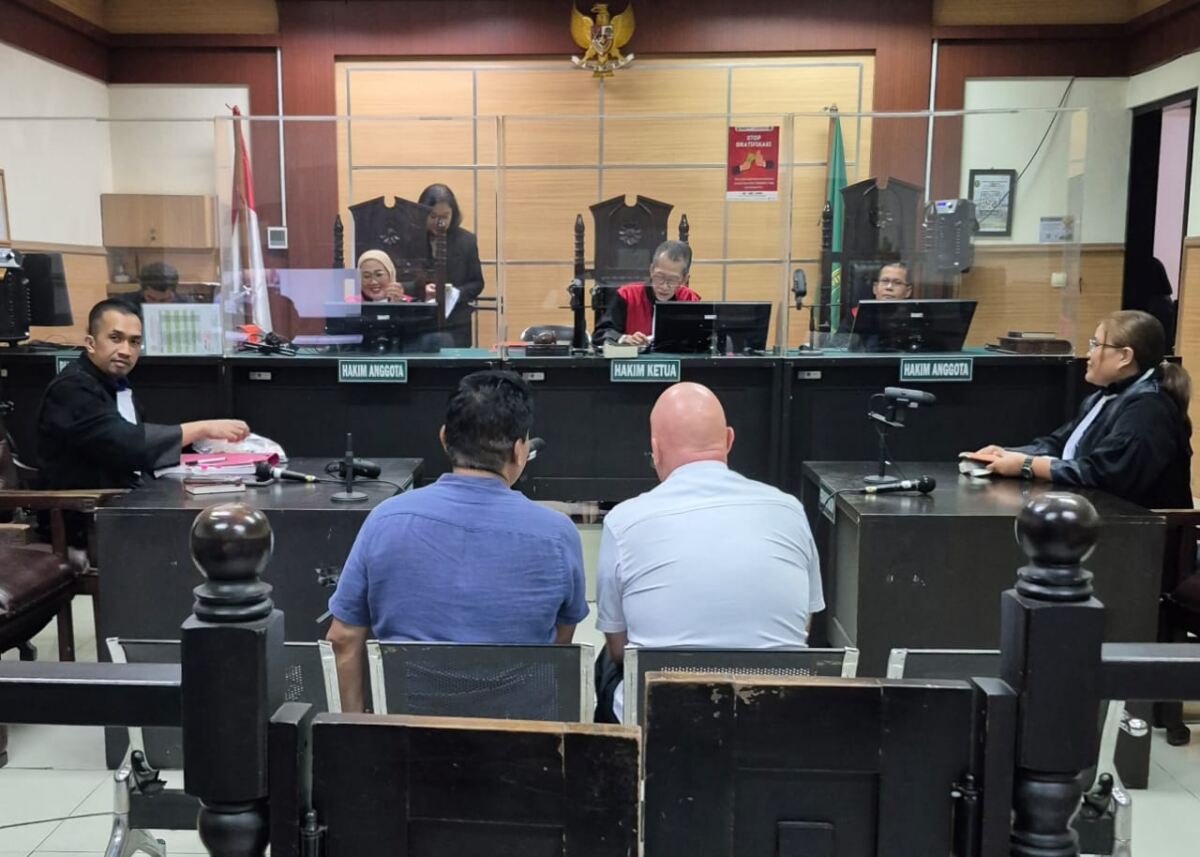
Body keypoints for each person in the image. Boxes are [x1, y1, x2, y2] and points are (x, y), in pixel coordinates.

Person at [325, 370, 588, 711]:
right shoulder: (558, 535)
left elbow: (343, 639)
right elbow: (559, 645)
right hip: (520, 735)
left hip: (407, 735)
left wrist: (356, 729)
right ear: (519, 450)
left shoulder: (384, 521)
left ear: (444, 437)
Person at [594, 382, 824, 722]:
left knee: (606, 663)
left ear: (655, 450)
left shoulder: (623, 521)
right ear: (729, 440)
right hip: (774, 721)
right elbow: (802, 627)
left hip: (663, 725)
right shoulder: (789, 509)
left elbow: (618, 649)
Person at [36, 300, 250, 542]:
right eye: (115, 338)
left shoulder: (113, 384)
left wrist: (209, 449)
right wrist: (203, 428)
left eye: (134, 342)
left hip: (123, 503)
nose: (126, 350)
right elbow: (125, 442)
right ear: (91, 343)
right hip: (83, 519)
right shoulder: (72, 389)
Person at [967, 310, 1192, 510]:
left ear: (1124, 356)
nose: (1089, 354)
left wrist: (1027, 465)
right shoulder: (1103, 396)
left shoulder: (1148, 408)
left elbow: (1104, 473)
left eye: (1096, 345)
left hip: (1140, 529)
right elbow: (1059, 444)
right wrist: (1007, 454)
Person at [410, 184, 485, 348]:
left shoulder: (466, 241)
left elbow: (477, 283)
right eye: (433, 216)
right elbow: (399, 281)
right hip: (418, 322)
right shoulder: (410, 239)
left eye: (445, 216)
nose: (440, 222)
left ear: (454, 214)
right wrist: (420, 289)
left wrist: (454, 293)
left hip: (456, 323)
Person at [592, 239, 702, 348]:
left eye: (673, 280)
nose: (664, 286)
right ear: (651, 270)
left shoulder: (689, 299)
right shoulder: (627, 295)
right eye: (660, 277)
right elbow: (601, 334)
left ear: (684, 279)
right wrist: (623, 339)